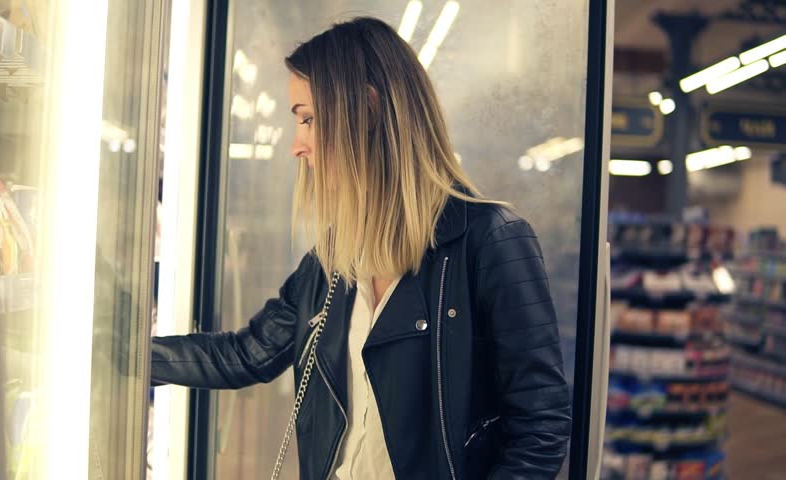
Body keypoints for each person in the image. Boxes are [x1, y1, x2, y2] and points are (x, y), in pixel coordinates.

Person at [151, 16, 571, 480]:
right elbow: (248, 353)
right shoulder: (335, 259)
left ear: (367, 109)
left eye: (308, 119)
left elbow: (540, 427)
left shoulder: (491, 241)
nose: (297, 145)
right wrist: (125, 353)